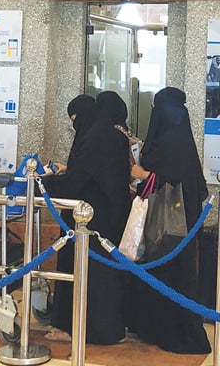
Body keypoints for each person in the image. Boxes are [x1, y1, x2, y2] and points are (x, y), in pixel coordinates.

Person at [41, 95, 129, 345]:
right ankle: (109, 328)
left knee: (82, 271)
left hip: (88, 220)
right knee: (105, 275)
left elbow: (79, 181)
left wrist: (43, 183)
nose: (75, 125)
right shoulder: (111, 136)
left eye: (75, 120)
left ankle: (78, 327)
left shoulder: (94, 140)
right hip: (109, 218)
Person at [129, 87, 211, 354]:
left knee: (166, 273)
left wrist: (143, 174)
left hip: (167, 224)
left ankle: (168, 331)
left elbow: (167, 177)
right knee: (180, 274)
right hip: (182, 222)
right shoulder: (181, 135)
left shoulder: (168, 141)